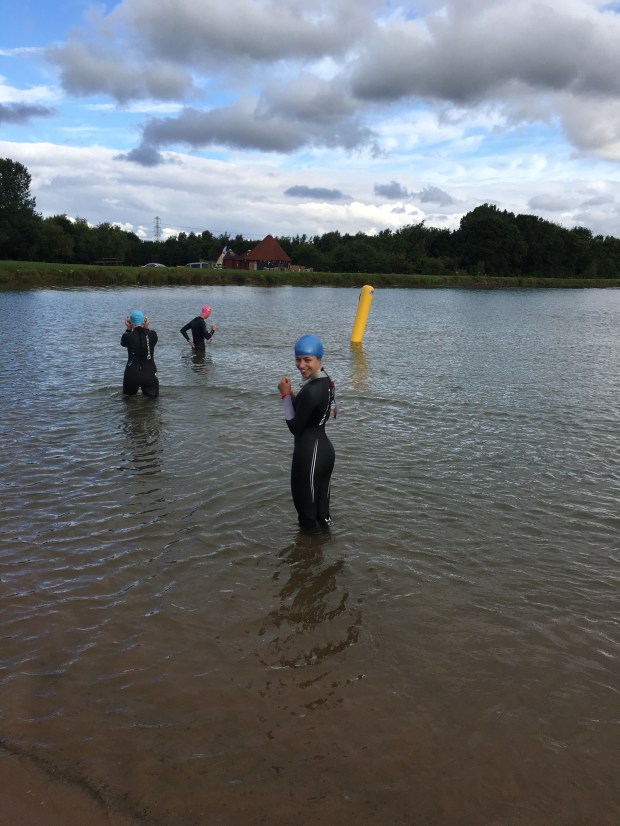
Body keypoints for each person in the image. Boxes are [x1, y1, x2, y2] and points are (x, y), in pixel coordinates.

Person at [278, 334, 336, 531]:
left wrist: (285, 395)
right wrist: (293, 396)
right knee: (322, 514)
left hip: (309, 455)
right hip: (324, 452)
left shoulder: (312, 389)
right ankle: (329, 552)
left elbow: (295, 427)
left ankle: (307, 559)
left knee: (306, 516)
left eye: (307, 360)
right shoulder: (324, 381)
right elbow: (308, 410)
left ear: (319, 359)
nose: (301, 365)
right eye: (298, 359)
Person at [121, 309, 159, 397]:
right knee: (153, 403)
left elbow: (123, 343)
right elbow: (150, 338)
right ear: (144, 321)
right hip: (149, 373)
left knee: (128, 401)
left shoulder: (127, 336)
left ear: (130, 322)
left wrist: (128, 329)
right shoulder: (153, 334)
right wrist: (146, 328)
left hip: (131, 374)